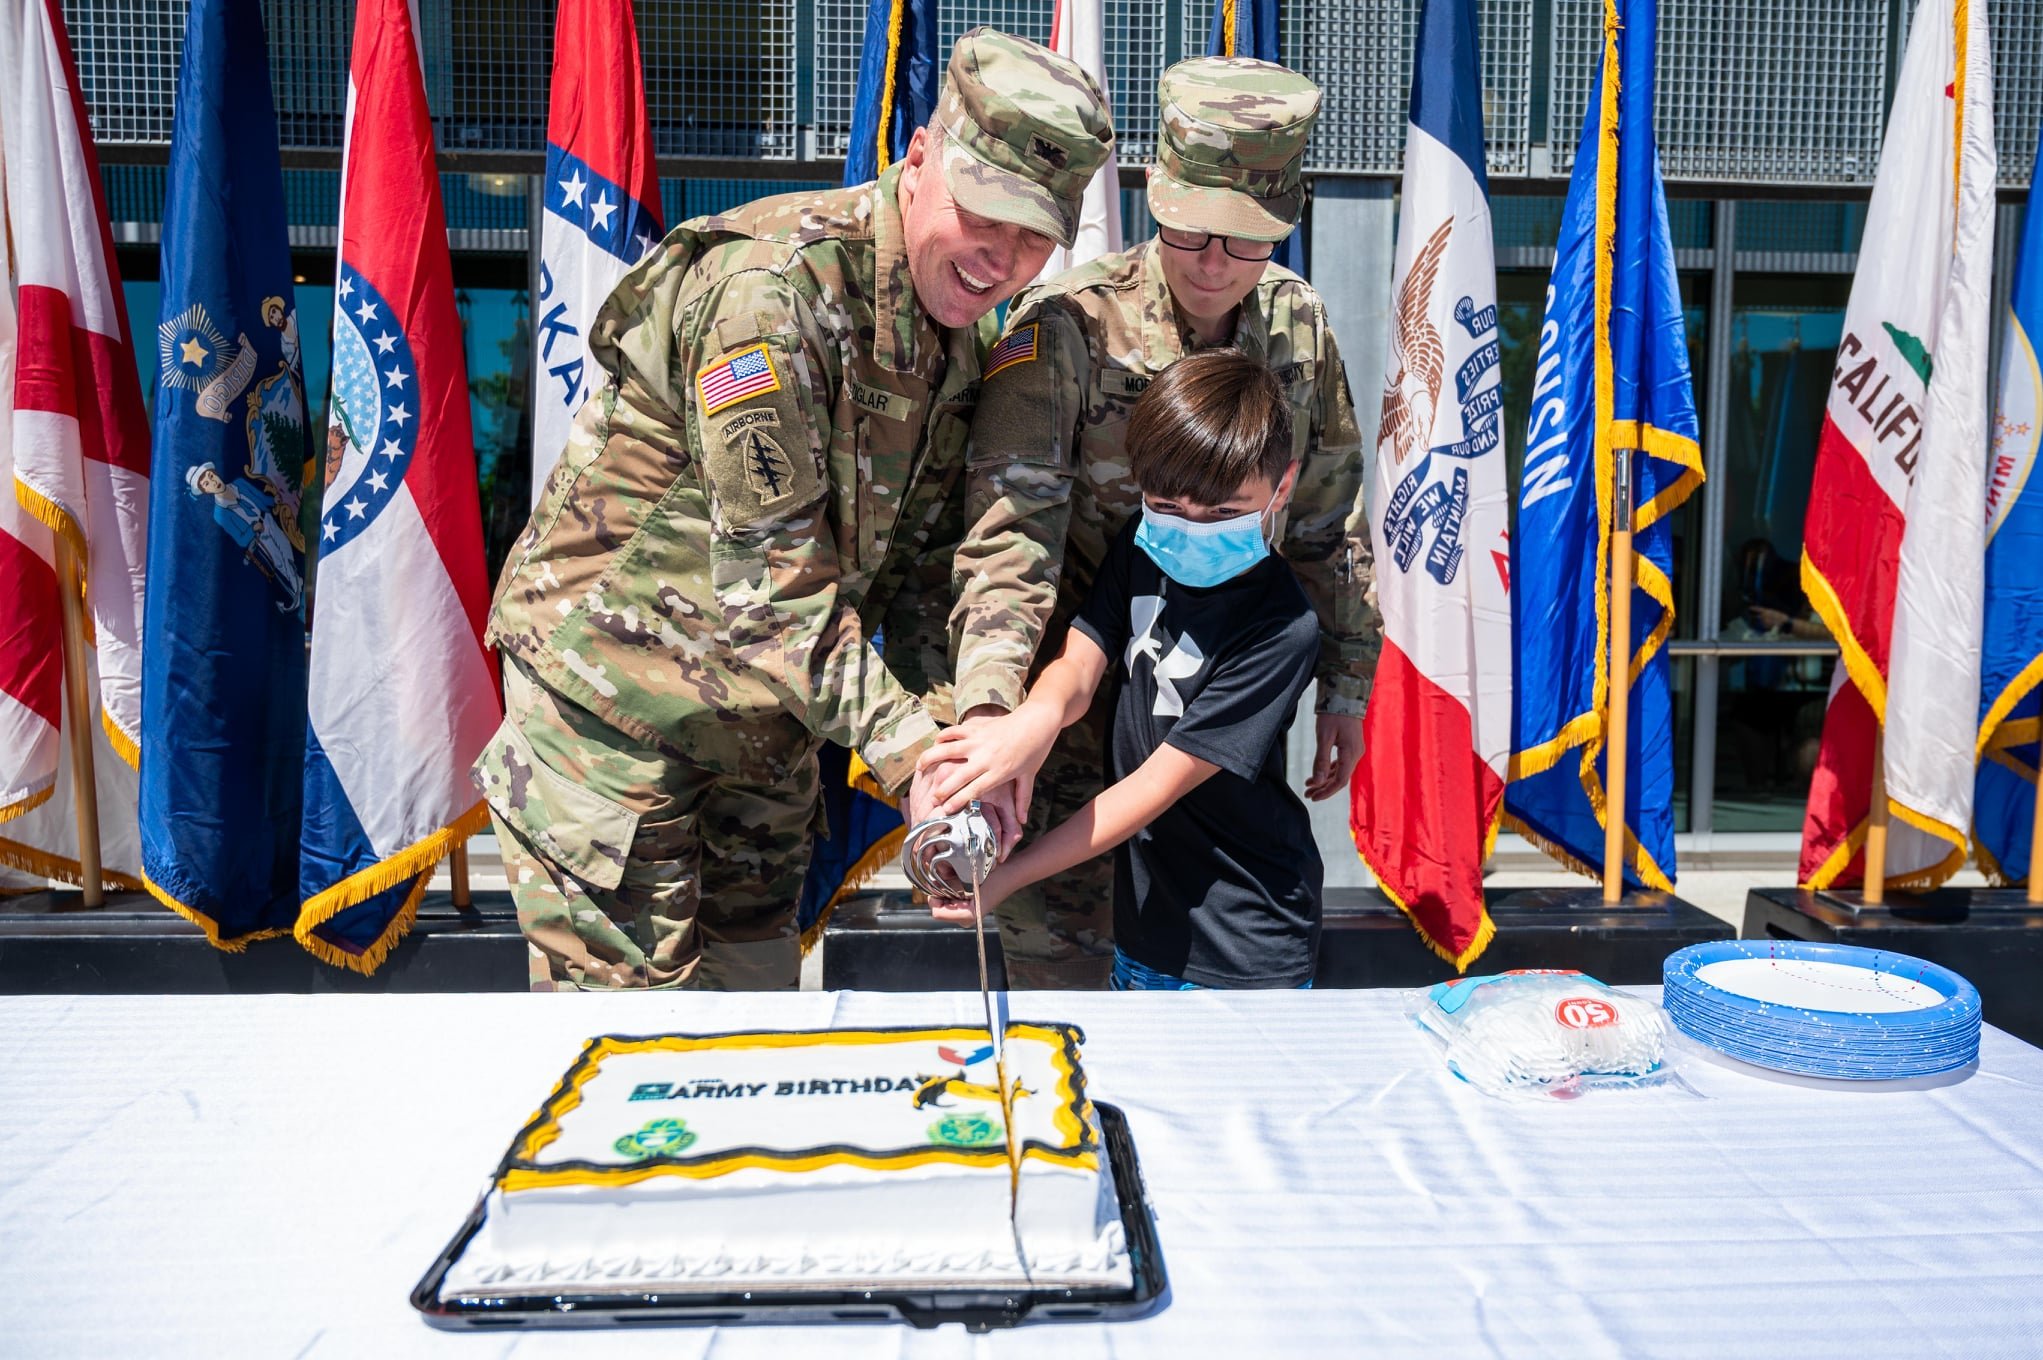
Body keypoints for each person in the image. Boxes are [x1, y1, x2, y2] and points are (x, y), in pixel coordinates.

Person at [473, 29, 1114, 991]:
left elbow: (940, 564)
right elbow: (771, 588)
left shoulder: (959, 338)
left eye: (1035, 236)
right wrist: (915, 756)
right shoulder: (769, 297)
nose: (1002, 258)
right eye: (983, 212)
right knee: (629, 1052)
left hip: (766, 726)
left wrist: (974, 729)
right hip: (615, 711)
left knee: (749, 1018)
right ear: (919, 157)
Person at [947, 57, 1376, 987]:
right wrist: (995, 710)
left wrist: (1345, 683)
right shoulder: (1066, 325)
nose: (1215, 264)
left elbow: (1326, 520)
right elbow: (1009, 530)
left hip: (1212, 701)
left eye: (1247, 239)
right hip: (1071, 699)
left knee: (1186, 960)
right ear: (1153, 194)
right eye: (1189, 233)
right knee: (1059, 973)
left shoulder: (1298, 324)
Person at [923, 351, 1323, 989]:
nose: (1191, 529)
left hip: (1241, 946)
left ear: (1283, 485)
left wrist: (1008, 876)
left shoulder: (1282, 629)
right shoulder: (1142, 544)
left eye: (1224, 514)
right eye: (1168, 505)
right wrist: (1034, 719)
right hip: (1144, 929)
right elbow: (1082, 658)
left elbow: (1148, 792)